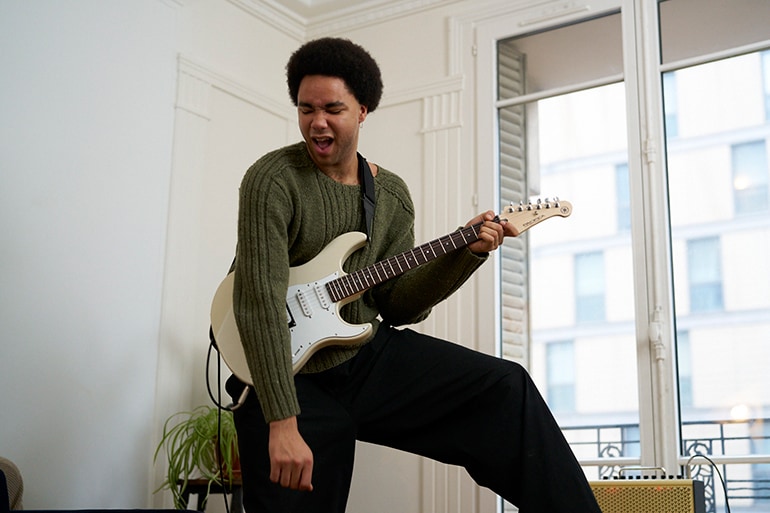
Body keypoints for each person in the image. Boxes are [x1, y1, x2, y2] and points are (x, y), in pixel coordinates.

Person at [225, 37, 603, 513]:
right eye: (305, 109)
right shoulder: (272, 179)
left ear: (363, 110)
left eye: (332, 109)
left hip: (361, 355)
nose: (316, 122)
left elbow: (400, 305)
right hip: (281, 369)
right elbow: (258, 301)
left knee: (505, 389)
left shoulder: (391, 195)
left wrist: (464, 254)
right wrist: (282, 420)